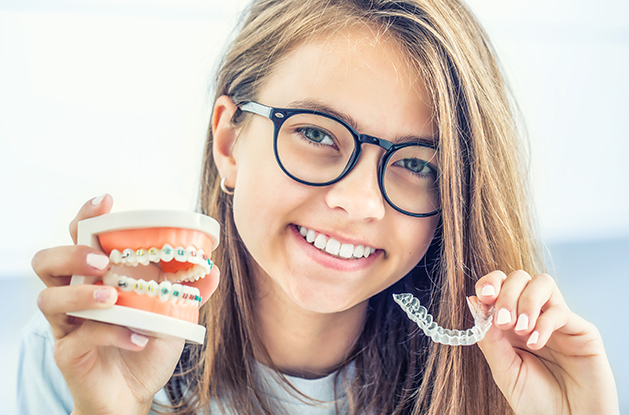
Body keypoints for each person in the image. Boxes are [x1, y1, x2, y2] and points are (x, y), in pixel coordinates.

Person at [21, 0, 619, 414]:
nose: (358, 203)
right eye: (316, 134)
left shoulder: (501, 384)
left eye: (416, 165)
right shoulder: (84, 352)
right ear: (230, 142)